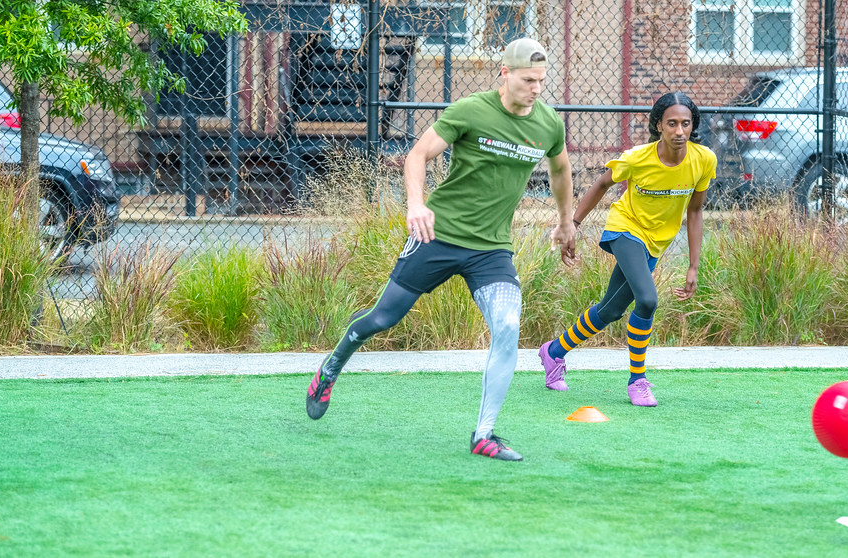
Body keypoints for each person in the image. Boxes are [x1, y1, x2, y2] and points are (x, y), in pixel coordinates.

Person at [306, 38, 576, 461]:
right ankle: (331, 366)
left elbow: (560, 169)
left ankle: (484, 434)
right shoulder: (471, 110)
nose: (537, 89)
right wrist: (416, 205)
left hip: (491, 249)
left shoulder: (547, 123)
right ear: (504, 74)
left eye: (542, 81)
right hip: (439, 235)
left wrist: (565, 220)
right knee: (383, 317)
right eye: (528, 80)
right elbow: (418, 153)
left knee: (507, 327)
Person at [539, 92, 716, 407]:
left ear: (692, 126)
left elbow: (695, 211)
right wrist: (573, 225)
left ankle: (553, 352)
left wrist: (693, 265)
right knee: (647, 300)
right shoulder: (637, 158)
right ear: (658, 125)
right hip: (625, 229)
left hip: (656, 242)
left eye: (685, 124)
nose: (679, 131)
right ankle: (638, 381)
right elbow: (601, 185)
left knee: (610, 310)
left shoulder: (704, 160)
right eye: (671, 123)